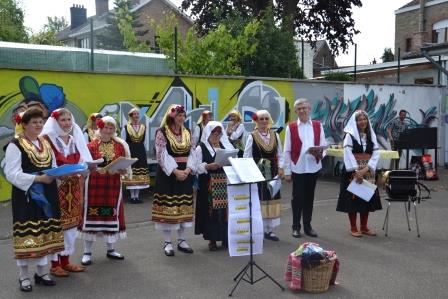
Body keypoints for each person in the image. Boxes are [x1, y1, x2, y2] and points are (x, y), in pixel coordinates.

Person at [3, 108, 64, 292]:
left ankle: (42, 272)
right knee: (28, 235)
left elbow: (52, 165)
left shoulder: (45, 142)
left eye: (40, 121)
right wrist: (38, 179)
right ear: (24, 125)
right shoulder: (16, 144)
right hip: (27, 195)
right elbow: (11, 173)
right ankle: (24, 276)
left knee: (45, 232)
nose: (38, 125)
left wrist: (60, 174)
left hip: (48, 192)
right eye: (34, 122)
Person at [41, 108, 93, 277]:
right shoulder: (47, 139)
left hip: (74, 186)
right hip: (56, 187)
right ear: (55, 122)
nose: (67, 123)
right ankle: (55, 264)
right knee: (58, 225)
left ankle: (66, 260)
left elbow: (81, 159)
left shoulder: (73, 138)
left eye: (69, 119)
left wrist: (86, 167)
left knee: (71, 225)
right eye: (63, 120)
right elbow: (46, 163)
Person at [79, 116, 130, 265]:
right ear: (99, 129)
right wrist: (92, 168)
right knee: (92, 215)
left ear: (114, 130)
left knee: (110, 215)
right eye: (105, 128)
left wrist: (121, 170)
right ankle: (87, 252)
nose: (108, 131)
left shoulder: (120, 146)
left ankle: (111, 249)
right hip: (94, 185)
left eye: (111, 128)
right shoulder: (90, 146)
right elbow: (84, 166)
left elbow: (124, 166)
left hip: (113, 185)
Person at [152, 104, 196, 257]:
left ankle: (182, 240)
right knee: (169, 209)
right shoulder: (162, 132)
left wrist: (188, 170)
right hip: (168, 174)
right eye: (179, 115)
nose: (182, 118)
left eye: (183, 115)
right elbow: (161, 154)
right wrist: (176, 171)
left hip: (185, 173)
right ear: (172, 116)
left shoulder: (188, 132)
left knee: (183, 207)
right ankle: (168, 242)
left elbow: (193, 152)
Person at [284, 98, 326, 238]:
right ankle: (296, 227)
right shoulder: (291, 127)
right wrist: (287, 171)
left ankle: (308, 226)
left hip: (313, 166)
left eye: (304, 108)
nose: (302, 110)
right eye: (299, 108)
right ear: (296, 111)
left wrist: (320, 152)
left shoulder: (318, 125)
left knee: (309, 197)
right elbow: (287, 150)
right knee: (297, 198)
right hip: (298, 167)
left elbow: (323, 145)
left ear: (309, 109)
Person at [336, 110, 382, 237]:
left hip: (367, 172)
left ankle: (364, 227)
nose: (363, 122)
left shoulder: (371, 135)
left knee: (365, 198)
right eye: (359, 120)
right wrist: (356, 171)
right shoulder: (349, 136)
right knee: (353, 200)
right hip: (353, 173)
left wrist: (366, 169)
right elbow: (347, 154)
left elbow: (376, 153)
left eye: (364, 119)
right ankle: (353, 228)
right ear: (355, 122)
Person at [243, 110, 284, 241]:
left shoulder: (275, 135)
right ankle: (258, 229)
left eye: (266, 118)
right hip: (258, 172)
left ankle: (269, 230)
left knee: (271, 198)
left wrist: (281, 167)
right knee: (259, 199)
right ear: (257, 121)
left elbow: (280, 153)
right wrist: (249, 173)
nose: (264, 121)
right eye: (261, 119)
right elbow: (247, 156)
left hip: (272, 171)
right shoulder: (252, 136)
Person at [195, 121, 234, 250]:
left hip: (223, 182)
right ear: (208, 133)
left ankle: (224, 237)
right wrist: (207, 166)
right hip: (208, 185)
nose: (216, 136)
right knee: (211, 212)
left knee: (224, 212)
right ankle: (212, 239)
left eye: (219, 134)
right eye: (214, 133)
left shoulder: (224, 146)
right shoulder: (201, 147)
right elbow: (196, 167)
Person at [121, 107, 150, 204]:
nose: (136, 116)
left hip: (140, 152)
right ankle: (132, 196)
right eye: (134, 114)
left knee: (139, 174)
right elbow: (123, 142)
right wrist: (125, 154)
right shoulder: (126, 128)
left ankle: (137, 196)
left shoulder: (143, 127)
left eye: (138, 114)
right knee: (132, 173)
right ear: (131, 116)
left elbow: (145, 141)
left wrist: (144, 151)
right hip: (130, 151)